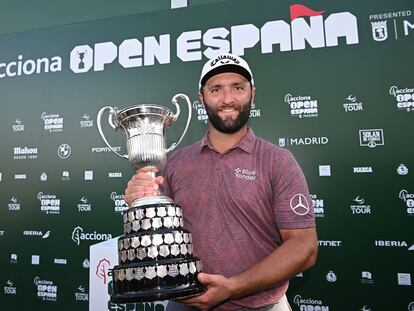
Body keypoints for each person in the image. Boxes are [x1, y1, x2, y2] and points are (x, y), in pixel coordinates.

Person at [124, 53, 318, 311]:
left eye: (237, 87)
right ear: (202, 98)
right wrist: (140, 197)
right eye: (216, 89)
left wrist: (234, 286)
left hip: (262, 306)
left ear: (253, 93)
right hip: (184, 305)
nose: (228, 99)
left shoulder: (278, 161)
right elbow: (156, 235)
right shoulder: (175, 162)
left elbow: (304, 247)